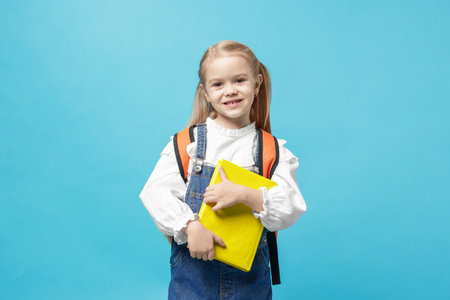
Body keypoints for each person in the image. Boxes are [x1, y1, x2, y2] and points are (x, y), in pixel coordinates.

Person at [139, 40, 306, 299]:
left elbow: (289, 209)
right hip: (192, 284)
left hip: (249, 285)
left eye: (239, 80)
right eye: (218, 84)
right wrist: (191, 226)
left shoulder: (272, 150)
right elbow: (154, 194)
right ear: (205, 92)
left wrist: (246, 194)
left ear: (257, 83)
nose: (230, 91)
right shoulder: (186, 144)